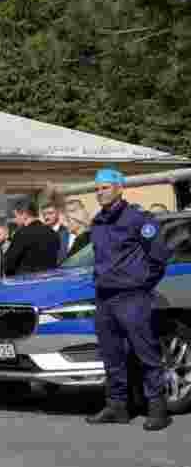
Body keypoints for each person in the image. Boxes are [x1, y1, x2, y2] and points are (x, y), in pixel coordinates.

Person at [85, 169, 173, 431]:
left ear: (120, 188)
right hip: (105, 297)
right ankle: (117, 406)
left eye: (106, 187)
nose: (101, 192)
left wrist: (142, 284)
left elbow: (159, 257)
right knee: (111, 355)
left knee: (146, 353)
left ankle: (157, 408)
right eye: (98, 188)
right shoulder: (97, 222)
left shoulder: (138, 218)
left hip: (132, 296)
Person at [3, 201, 60, 276]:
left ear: (24, 214)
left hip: (27, 282)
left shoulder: (22, 234)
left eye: (16, 216)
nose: (16, 220)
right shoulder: (53, 233)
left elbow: (9, 264)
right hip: (48, 281)